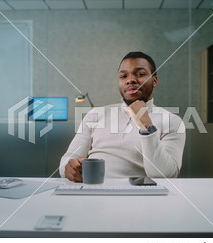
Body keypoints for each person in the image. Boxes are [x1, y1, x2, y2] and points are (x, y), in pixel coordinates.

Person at [59, 51, 186, 182]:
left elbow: (165, 175)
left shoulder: (172, 121)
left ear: (154, 81)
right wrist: (68, 169)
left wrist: (147, 126)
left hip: (139, 196)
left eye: (140, 74)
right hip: (93, 190)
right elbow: (67, 160)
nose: (130, 80)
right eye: (123, 76)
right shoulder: (95, 114)